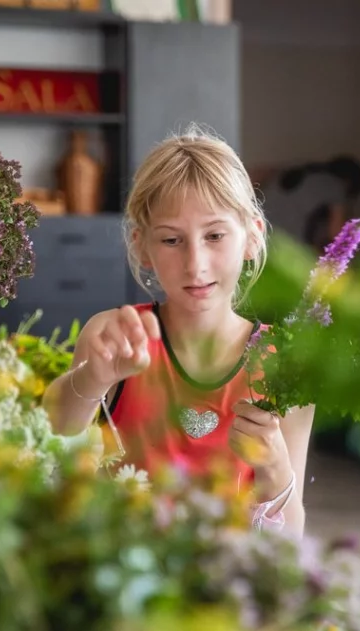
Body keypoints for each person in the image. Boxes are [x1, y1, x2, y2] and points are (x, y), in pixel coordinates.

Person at [43, 126, 315, 538]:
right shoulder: (115, 336)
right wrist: (91, 379)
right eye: (172, 240)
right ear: (141, 247)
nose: (196, 263)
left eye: (215, 235)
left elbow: (292, 537)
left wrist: (275, 468)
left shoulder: (286, 361)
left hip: (226, 587)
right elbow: (52, 439)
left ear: (253, 236)